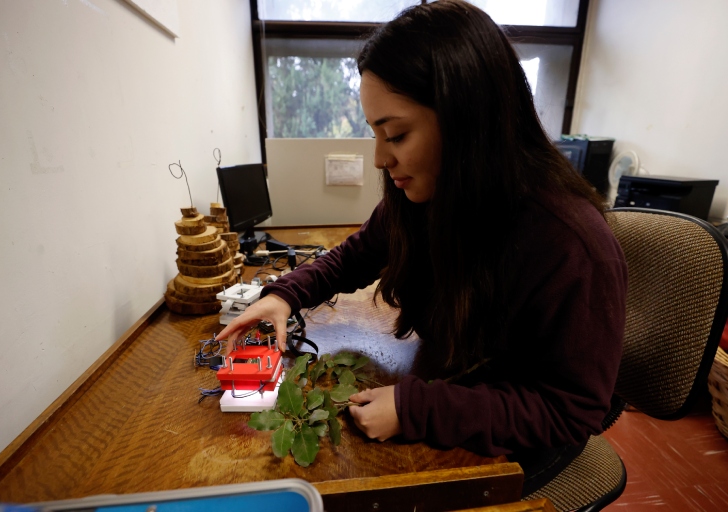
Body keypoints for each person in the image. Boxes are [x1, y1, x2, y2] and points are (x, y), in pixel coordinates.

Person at [218, 0, 627, 495]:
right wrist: (284, 294)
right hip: (450, 382)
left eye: (396, 133)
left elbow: (567, 411)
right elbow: (353, 256)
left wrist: (420, 410)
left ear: (469, 122)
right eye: (375, 133)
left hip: (516, 437)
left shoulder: (572, 246)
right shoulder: (425, 197)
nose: (378, 157)